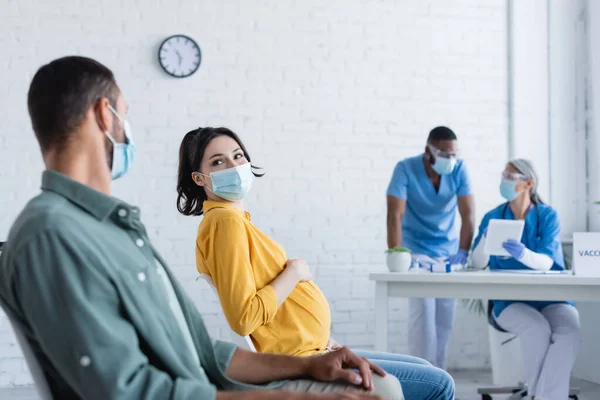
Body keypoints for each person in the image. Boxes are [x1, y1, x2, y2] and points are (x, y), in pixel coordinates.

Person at [0, 56, 404, 400]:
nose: (127, 128)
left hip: (226, 377)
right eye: (126, 114)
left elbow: (201, 352)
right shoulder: (52, 234)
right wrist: (284, 396)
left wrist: (310, 365)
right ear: (106, 114)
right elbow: (128, 389)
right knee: (385, 390)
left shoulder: (112, 228)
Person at [176, 127, 454, 400]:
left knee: (425, 369)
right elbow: (244, 318)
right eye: (218, 161)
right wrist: (293, 273)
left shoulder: (234, 221)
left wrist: (318, 337)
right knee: (440, 383)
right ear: (200, 179)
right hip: (298, 358)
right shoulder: (225, 224)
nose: (234, 166)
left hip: (313, 349)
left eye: (238, 156)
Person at [471, 159, 581, 400]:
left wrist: (523, 253)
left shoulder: (547, 216)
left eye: (511, 178)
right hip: (509, 302)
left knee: (570, 330)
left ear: (529, 183)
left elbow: (547, 262)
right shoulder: (493, 216)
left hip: (552, 298)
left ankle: (541, 397)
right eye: (504, 176)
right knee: (537, 329)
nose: (504, 182)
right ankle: (539, 395)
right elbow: (478, 263)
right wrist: (484, 242)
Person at [386, 126, 475, 370]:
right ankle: (422, 376)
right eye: (445, 153)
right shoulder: (405, 169)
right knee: (423, 313)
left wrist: (464, 252)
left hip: (448, 252)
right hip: (415, 251)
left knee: (445, 319)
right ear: (429, 151)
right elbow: (394, 215)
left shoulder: (459, 170)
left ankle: (439, 377)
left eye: (453, 154)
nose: (451, 159)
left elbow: (468, 215)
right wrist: (397, 254)